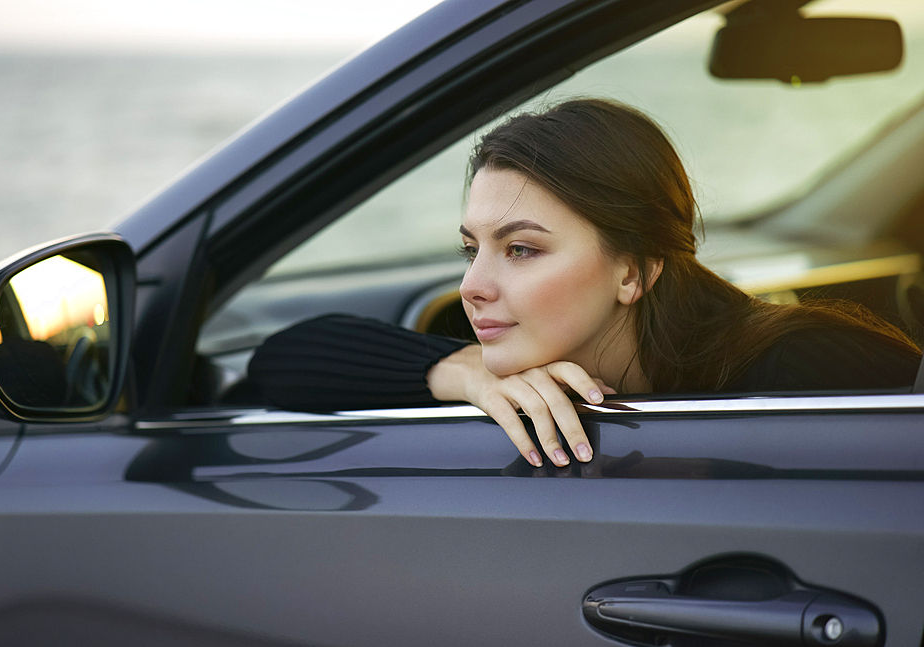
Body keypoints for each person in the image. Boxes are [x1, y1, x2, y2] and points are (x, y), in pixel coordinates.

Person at [232, 98, 921, 468]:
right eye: (472, 249)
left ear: (634, 269)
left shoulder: (809, 366)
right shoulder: (510, 351)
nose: (473, 285)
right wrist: (463, 373)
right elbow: (279, 364)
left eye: (522, 249)